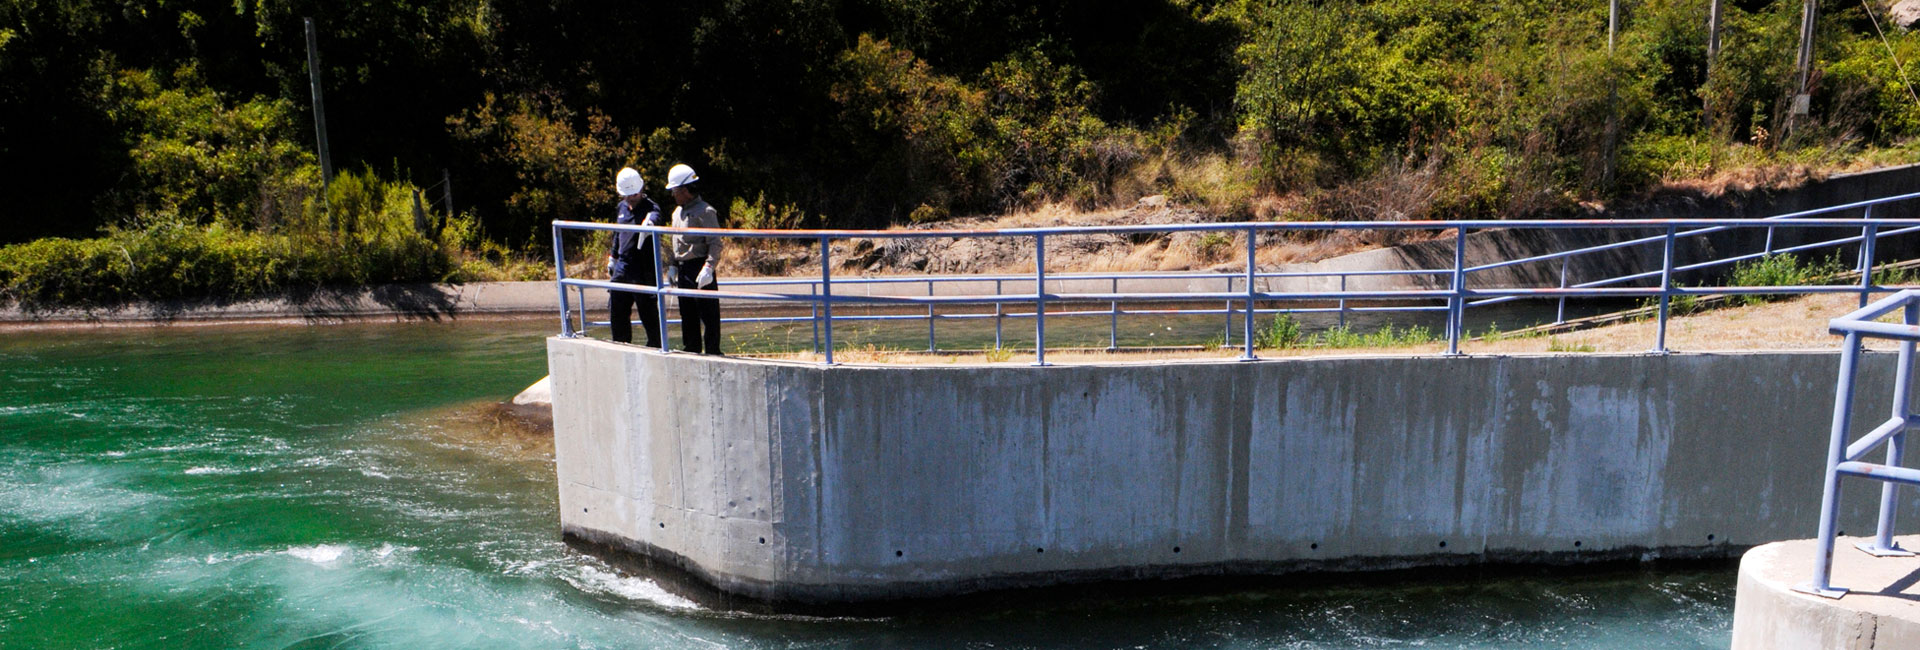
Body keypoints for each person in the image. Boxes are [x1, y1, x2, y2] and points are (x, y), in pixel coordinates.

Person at [664, 163, 723, 354]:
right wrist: (673, 265)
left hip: (700, 266)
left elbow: (715, 242)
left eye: (675, 190)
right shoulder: (676, 213)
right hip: (684, 269)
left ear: (685, 189)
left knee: (709, 314)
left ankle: (713, 351)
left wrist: (709, 267)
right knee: (687, 313)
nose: (673, 195)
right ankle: (691, 350)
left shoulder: (706, 212)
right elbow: (675, 242)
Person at [607, 167, 664, 347]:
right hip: (623, 265)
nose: (631, 198)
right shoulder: (621, 208)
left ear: (641, 189)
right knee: (616, 307)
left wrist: (651, 222)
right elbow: (618, 233)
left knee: (647, 311)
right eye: (628, 195)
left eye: (634, 194)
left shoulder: (651, 207)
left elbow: (656, 216)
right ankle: (621, 344)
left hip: (644, 268)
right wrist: (613, 257)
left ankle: (655, 346)